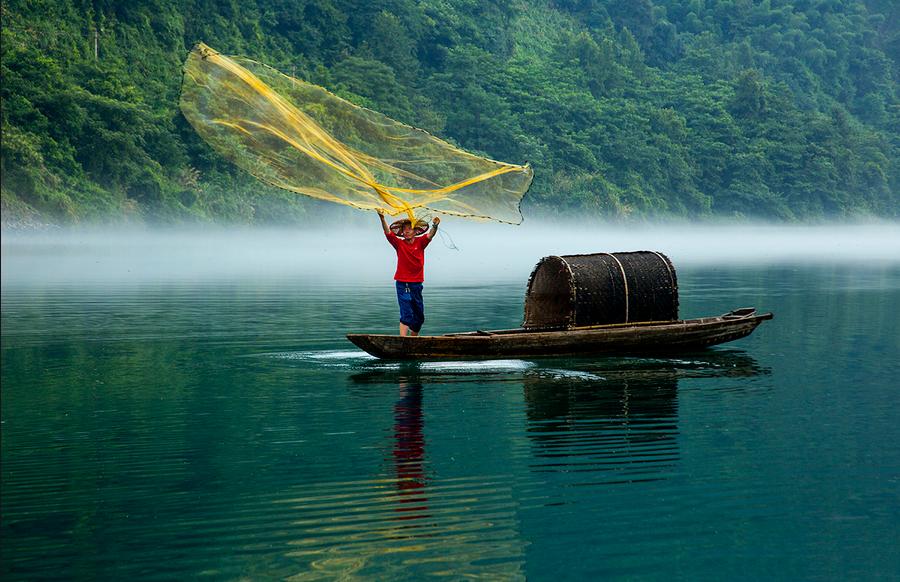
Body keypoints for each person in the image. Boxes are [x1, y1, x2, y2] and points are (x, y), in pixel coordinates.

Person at [378, 209, 440, 336]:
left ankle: (412, 341)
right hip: (403, 284)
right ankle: (403, 342)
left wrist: (435, 225)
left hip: (416, 284)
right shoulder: (399, 244)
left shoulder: (420, 242)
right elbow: (388, 233)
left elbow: (430, 235)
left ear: (415, 231)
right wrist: (382, 218)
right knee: (406, 314)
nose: (406, 231)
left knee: (419, 318)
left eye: (409, 228)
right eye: (404, 229)